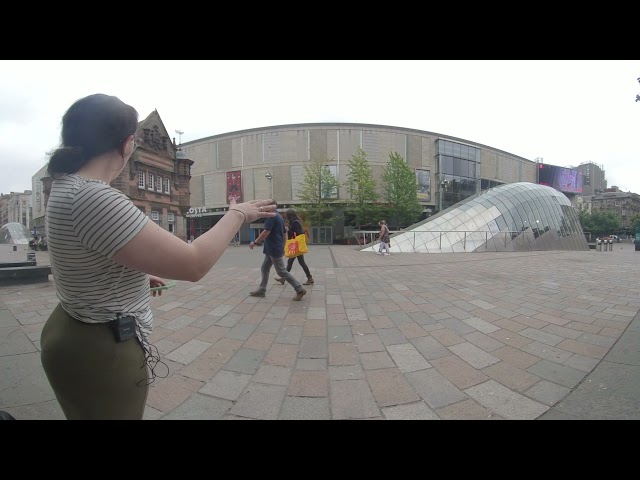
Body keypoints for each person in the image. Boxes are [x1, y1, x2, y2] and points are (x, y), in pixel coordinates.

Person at [39, 93, 277, 420]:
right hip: (100, 347)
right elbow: (193, 264)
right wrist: (236, 214)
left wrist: (133, 273)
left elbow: (83, 254)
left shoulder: (68, 186)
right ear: (127, 145)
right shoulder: (95, 197)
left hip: (74, 327)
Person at [249, 203, 307, 301]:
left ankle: (299, 289)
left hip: (273, 249)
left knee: (281, 271)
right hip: (273, 248)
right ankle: (262, 289)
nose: (263, 208)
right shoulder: (279, 216)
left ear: (271, 207)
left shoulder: (271, 217)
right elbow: (284, 233)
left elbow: (266, 232)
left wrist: (255, 242)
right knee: (265, 268)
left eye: (265, 206)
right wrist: (283, 246)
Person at [274, 208, 314, 285]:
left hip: (296, 245)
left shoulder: (295, 222)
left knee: (298, 262)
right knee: (294, 262)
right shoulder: (294, 221)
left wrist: (288, 230)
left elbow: (298, 233)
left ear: (290, 216)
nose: (286, 217)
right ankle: (309, 278)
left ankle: (309, 278)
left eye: (287, 216)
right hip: (296, 246)